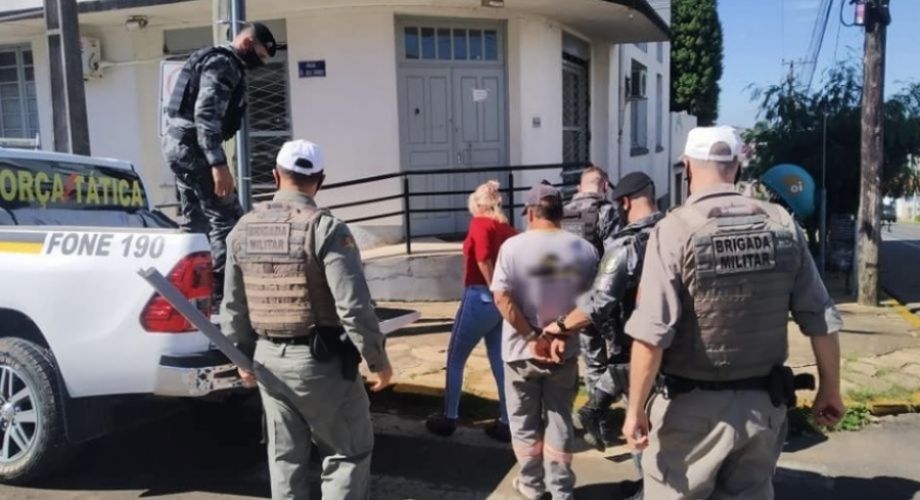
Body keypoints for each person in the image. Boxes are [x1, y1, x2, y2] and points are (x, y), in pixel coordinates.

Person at [622, 126, 845, 499]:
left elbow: (651, 333)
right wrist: (830, 389)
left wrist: (635, 410)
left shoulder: (675, 229)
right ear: (738, 166)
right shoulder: (782, 224)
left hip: (691, 412)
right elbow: (820, 316)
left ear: (687, 167)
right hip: (762, 409)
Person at [221, 139, 393, 499]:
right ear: (321, 180)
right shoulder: (326, 229)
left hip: (268, 361)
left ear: (275, 176)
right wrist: (377, 360)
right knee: (346, 454)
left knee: (285, 460)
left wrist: (242, 358)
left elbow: (234, 306)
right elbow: (353, 306)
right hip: (322, 363)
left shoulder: (243, 228)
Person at [543, 172, 662, 454]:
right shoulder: (674, 231)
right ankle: (597, 411)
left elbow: (599, 300)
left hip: (621, 329)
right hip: (671, 343)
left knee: (634, 408)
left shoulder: (626, 244)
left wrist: (561, 325)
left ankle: (598, 413)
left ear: (625, 202)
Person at [491, 183, 598, 500]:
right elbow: (593, 304)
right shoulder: (585, 250)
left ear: (531, 212)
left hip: (520, 352)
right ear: (561, 213)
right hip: (563, 352)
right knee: (560, 420)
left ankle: (532, 486)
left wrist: (531, 336)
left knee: (523, 422)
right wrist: (560, 333)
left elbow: (501, 298)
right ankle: (561, 489)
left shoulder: (512, 247)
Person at [162, 22, 277, 299]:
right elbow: (206, 115)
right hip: (195, 148)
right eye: (261, 55)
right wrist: (218, 164)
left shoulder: (213, 57)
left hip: (180, 144)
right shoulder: (224, 64)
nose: (260, 63)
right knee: (229, 222)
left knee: (196, 223)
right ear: (247, 44)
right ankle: (224, 297)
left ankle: (191, 292)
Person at [426, 181, 517, 442]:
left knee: (456, 357)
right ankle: (507, 421)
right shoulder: (507, 229)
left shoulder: (479, 224)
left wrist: (493, 286)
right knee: (499, 360)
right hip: (499, 303)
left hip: (479, 295)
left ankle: (449, 416)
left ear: (478, 204)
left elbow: (482, 256)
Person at [561, 166, 622, 434]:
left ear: (579, 187)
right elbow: (615, 256)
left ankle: (591, 422)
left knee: (587, 360)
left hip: (570, 298)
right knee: (616, 360)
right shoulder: (607, 211)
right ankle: (602, 419)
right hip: (600, 298)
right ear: (605, 186)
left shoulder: (563, 211)